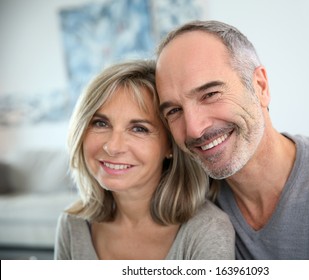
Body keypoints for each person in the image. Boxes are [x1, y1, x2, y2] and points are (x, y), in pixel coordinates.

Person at [155, 20, 309, 259]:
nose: (194, 129)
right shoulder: (192, 201)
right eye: (174, 111)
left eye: (210, 94)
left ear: (260, 87)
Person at [54, 59, 235, 260]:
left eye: (139, 129)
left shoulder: (207, 231)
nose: (112, 147)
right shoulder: (73, 224)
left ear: (170, 146)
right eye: (101, 123)